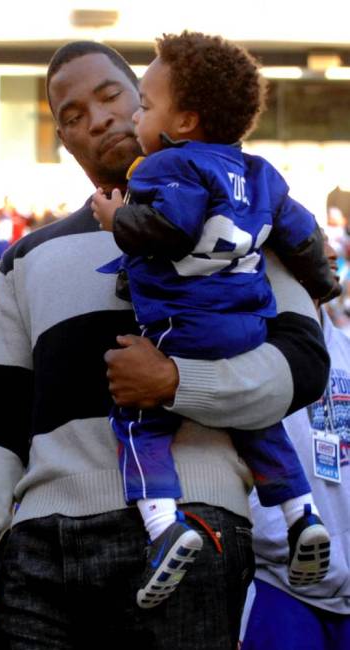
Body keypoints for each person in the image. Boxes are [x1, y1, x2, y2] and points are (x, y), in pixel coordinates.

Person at [0, 41, 330, 650]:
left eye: (109, 96)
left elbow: (304, 368)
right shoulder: (26, 257)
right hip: (40, 553)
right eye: (71, 116)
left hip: (197, 530)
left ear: (152, 100)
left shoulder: (246, 225)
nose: (95, 119)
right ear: (65, 142)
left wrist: (178, 383)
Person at [90, 31, 337, 607]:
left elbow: (169, 228)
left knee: (137, 416)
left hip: (185, 325)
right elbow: (304, 239)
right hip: (246, 325)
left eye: (146, 106)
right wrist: (326, 284)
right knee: (258, 425)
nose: (136, 116)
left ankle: (162, 525)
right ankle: (302, 516)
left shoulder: (164, 164)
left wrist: (116, 216)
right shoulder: (261, 173)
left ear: (187, 121)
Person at [240, 236, 350, 649]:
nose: (333, 252)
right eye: (315, 241)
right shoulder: (249, 351)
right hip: (282, 591)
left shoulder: (345, 348)